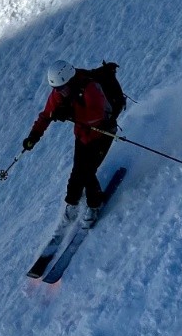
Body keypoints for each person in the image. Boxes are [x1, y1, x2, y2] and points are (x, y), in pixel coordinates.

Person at [23, 59, 124, 227]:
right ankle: (72, 204)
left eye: (62, 88)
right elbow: (46, 115)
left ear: (70, 80)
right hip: (83, 136)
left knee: (87, 171)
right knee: (78, 171)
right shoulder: (59, 93)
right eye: (56, 89)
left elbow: (98, 115)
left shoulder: (90, 88)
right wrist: (34, 135)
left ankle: (94, 204)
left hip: (103, 134)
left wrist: (71, 114)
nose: (59, 92)